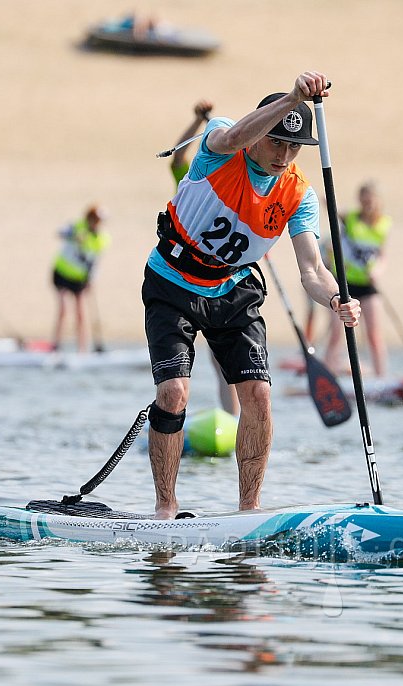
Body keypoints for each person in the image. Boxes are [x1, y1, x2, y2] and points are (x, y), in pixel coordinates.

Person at [142, 71, 359, 519]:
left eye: (294, 147)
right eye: (276, 142)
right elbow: (238, 133)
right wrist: (295, 98)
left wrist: (337, 300)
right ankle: (165, 509)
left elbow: (312, 270)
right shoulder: (222, 146)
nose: (284, 155)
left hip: (232, 289)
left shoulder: (299, 195)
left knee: (258, 394)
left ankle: (249, 512)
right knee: (173, 394)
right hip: (173, 281)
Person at [170, 99, 240, 415]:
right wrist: (197, 123)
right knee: (177, 356)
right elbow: (176, 160)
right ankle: (172, 417)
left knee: (221, 357)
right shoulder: (197, 178)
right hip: (182, 275)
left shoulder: (240, 186)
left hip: (220, 282)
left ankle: (232, 421)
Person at [323, 182, 391, 377]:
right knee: (336, 334)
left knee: (374, 334)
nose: (367, 204)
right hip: (342, 283)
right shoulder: (350, 218)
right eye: (364, 200)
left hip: (367, 284)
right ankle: (328, 377)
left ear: (378, 201)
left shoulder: (384, 224)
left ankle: (381, 378)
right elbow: (329, 204)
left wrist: (377, 271)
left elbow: (382, 256)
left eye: (371, 200)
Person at [52, 205, 109, 353]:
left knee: (80, 314)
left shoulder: (102, 239)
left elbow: (95, 262)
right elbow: (59, 233)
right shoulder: (78, 226)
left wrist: (91, 280)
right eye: (95, 220)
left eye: (99, 221)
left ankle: (82, 350)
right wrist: (74, 235)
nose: (97, 224)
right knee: (63, 309)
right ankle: (55, 345)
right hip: (62, 273)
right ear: (89, 218)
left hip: (79, 279)